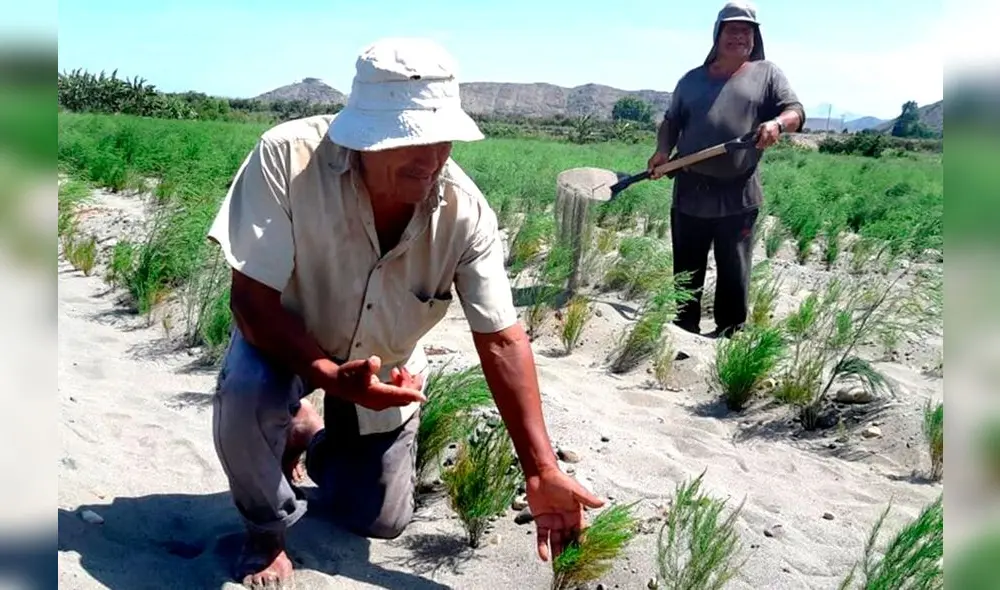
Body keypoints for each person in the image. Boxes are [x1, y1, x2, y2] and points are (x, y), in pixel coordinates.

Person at [206, 37, 603, 588]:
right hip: (284, 339)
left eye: (441, 139)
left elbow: (503, 340)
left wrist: (541, 470)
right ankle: (267, 530)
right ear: (363, 137)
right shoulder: (288, 159)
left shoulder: (465, 213)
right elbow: (250, 303)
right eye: (409, 140)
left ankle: (307, 438)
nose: (431, 157)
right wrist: (323, 374)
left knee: (380, 519)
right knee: (248, 389)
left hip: (381, 367)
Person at [647, 1, 805, 338]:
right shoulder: (690, 81)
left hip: (739, 192)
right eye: (732, 29)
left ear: (755, 36)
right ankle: (684, 328)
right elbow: (671, 121)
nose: (739, 35)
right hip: (690, 190)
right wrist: (663, 150)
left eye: (746, 30)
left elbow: (795, 111)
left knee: (735, 268)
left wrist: (777, 123)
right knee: (687, 268)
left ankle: (730, 331)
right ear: (718, 34)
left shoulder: (767, 74)